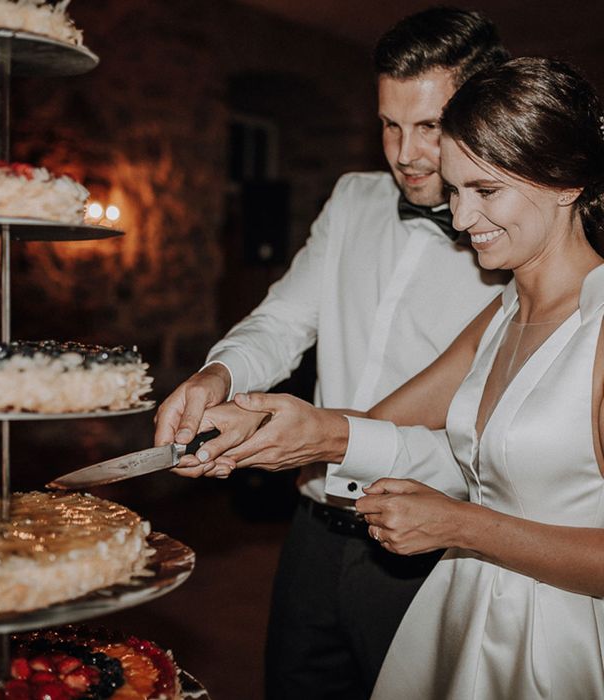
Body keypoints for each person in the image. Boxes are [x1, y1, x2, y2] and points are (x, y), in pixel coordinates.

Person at [208, 56, 604, 698]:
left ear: (565, 182)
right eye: (453, 191)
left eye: (485, 191)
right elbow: (373, 421)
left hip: (561, 643)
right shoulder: (503, 309)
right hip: (461, 609)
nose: (462, 217)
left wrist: (461, 525)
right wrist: (266, 426)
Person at [154, 8, 509, 698]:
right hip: (313, 526)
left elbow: (488, 435)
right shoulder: (352, 199)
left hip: (430, 542)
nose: (405, 154)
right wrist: (220, 372)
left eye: (430, 127)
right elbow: (285, 318)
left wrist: (332, 435)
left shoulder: (512, 241)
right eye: (389, 124)